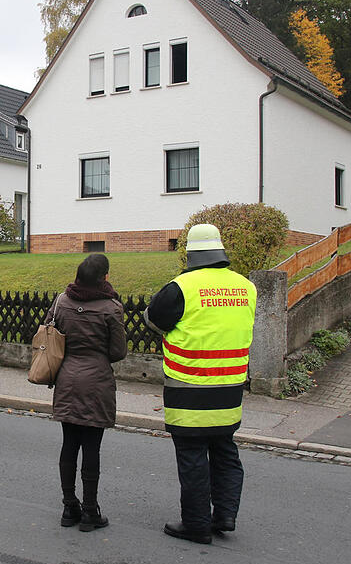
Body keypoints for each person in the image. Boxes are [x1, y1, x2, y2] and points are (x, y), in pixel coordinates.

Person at [145, 224, 257, 545]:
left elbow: (153, 319)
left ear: (190, 254)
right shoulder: (246, 287)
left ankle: (195, 524)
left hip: (189, 392)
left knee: (193, 456)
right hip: (230, 390)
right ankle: (225, 515)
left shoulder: (182, 287)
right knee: (225, 451)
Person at [46, 253, 127, 532]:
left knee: (69, 444)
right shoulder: (111, 308)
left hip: (67, 379)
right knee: (92, 447)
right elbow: (118, 352)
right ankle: (91, 512)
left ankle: (69, 508)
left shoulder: (61, 302)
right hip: (96, 383)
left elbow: (48, 334)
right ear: (104, 277)